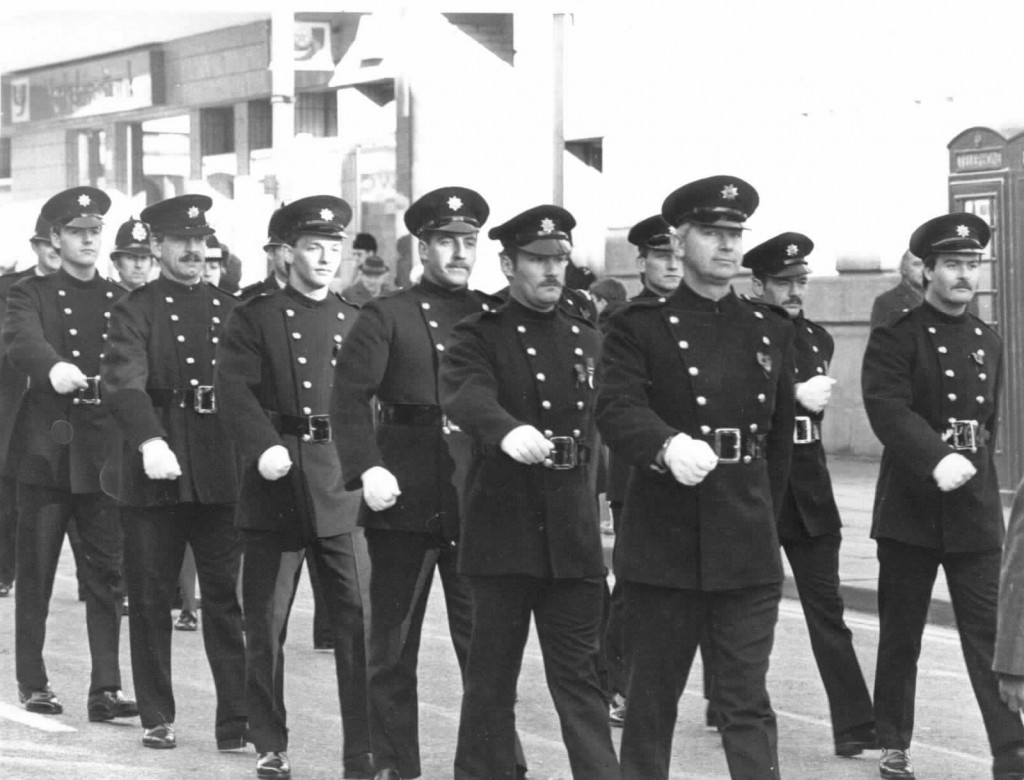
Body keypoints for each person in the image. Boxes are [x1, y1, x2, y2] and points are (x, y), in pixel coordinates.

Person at [596, 175, 795, 780]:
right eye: (712, 232)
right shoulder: (639, 325)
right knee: (652, 704)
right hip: (666, 541)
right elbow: (616, 407)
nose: (727, 245)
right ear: (680, 243)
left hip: (744, 537)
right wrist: (664, 445)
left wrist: (764, 519)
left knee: (744, 703)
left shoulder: (770, 328)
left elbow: (780, 442)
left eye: (735, 233)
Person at [332, 186, 523, 780]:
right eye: (447, 241)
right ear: (423, 246)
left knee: (485, 646)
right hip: (404, 492)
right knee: (391, 644)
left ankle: (496, 762)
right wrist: (367, 467)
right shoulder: (387, 315)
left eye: (469, 242)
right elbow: (347, 399)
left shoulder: (492, 317)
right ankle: (393, 764)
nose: (460, 252)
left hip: (476, 494)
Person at [442, 205, 619, 780]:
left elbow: (610, 422)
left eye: (559, 258)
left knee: (581, 678)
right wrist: (505, 429)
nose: (551, 270)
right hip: (503, 529)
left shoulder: (587, 338)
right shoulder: (479, 333)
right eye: (538, 260)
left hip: (570, 533)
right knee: (491, 680)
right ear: (508, 264)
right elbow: (465, 393)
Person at [862, 212, 1024, 780]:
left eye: (970, 264)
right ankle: (893, 741)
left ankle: (1012, 751)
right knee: (901, 633)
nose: (962, 275)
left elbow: (990, 423)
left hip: (972, 513)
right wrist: (936, 458)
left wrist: (975, 474)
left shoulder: (988, 340)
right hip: (911, 507)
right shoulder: (898, 335)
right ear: (925, 269)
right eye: (951, 264)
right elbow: (887, 408)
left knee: (991, 639)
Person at [216, 196, 372, 780]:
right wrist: (264, 447)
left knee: (358, 622)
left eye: (336, 248)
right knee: (266, 624)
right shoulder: (253, 315)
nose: (328, 258)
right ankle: (269, 742)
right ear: (286, 254)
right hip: (275, 484)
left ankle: (362, 747)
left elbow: (363, 402)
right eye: (314, 247)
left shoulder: (356, 316)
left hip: (338, 485)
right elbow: (233, 391)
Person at [101, 193, 247, 751]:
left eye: (200, 240)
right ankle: (157, 715)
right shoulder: (134, 309)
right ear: (156, 246)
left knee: (226, 602)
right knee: (152, 595)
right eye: (180, 241)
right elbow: (121, 381)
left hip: (218, 469)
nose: (193, 249)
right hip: (153, 471)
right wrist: (149, 439)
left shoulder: (231, 308)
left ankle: (237, 717)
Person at [2, 187, 136, 720]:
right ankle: (32, 682)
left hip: (102, 452)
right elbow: (19, 340)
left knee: (106, 576)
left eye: (95, 231)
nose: (88, 240)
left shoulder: (117, 298)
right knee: (35, 573)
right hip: (46, 453)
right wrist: (51, 365)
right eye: (77, 231)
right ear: (55, 238)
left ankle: (105, 688)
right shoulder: (28, 293)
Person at [744, 231, 877, 756]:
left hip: (810, 489)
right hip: (759, 487)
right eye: (784, 282)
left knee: (828, 610)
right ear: (757, 284)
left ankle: (855, 726)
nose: (795, 291)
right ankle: (729, 701)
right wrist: (791, 397)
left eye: (801, 281)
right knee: (750, 610)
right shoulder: (741, 334)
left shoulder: (818, 337)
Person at [0, 214, 63, 598]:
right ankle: (5, 571)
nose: (56, 253)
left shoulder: (78, 291)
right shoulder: (10, 290)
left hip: (62, 413)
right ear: (36, 247)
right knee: (8, 496)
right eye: (49, 246)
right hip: (11, 404)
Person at [240, 206, 291, 301]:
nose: (292, 255)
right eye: (285, 249)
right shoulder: (248, 300)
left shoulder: (323, 299)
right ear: (271, 252)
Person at [870, 249, 924, 330]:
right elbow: (880, 340)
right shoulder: (887, 302)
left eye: (927, 264)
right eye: (917, 264)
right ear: (903, 269)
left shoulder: (940, 298)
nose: (923, 269)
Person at [110, 218, 155, 291]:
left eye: (143, 258)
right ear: (116, 264)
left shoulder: (156, 299)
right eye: (131, 258)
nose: (138, 265)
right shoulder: (106, 299)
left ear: (151, 264)